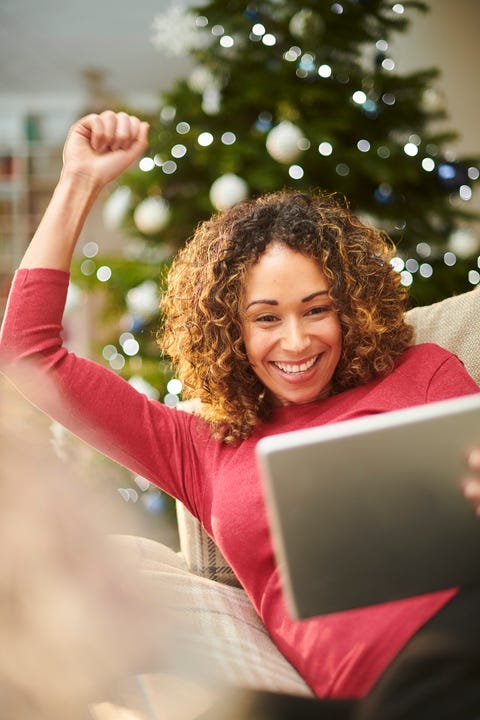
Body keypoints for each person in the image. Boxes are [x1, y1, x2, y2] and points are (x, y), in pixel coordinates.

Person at [1, 110, 480, 719]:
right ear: (230, 329)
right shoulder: (196, 446)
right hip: (380, 695)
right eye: (266, 318)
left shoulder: (424, 371)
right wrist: (78, 184)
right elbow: (27, 352)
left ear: (350, 309)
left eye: (316, 310)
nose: (297, 341)